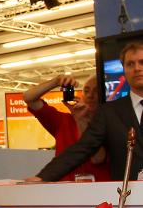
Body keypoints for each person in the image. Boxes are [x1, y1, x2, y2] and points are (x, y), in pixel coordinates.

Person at [33, 42, 143, 182]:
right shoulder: (109, 112)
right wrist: (42, 177)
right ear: (124, 70)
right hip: (128, 199)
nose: (137, 68)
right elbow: (81, 149)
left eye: (142, 62)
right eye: (130, 64)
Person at [22, 74, 109, 181]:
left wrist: (80, 120)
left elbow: (97, 158)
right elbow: (29, 98)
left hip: (99, 191)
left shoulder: (110, 124)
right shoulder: (63, 121)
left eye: (96, 91)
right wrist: (56, 81)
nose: (90, 95)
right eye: (86, 91)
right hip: (65, 190)